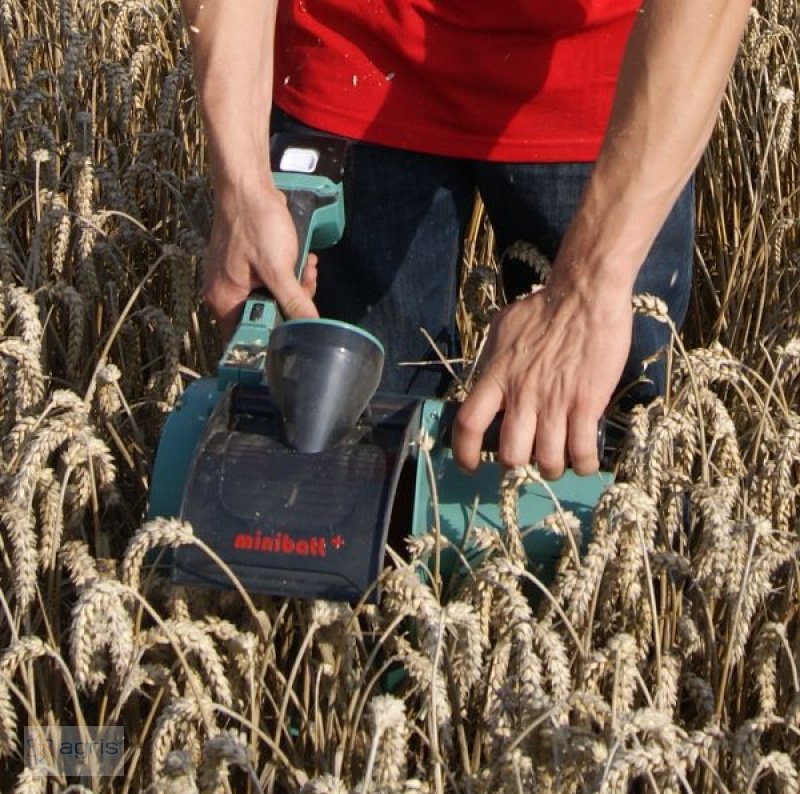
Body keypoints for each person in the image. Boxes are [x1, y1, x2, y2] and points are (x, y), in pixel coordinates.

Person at [179, 0, 751, 479]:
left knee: (601, 466)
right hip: (352, 53)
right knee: (339, 457)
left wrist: (589, 285)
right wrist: (240, 183)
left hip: (608, 84)